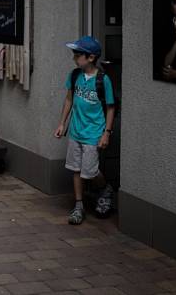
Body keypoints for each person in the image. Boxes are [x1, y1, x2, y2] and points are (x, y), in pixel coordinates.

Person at [53, 36, 116, 225]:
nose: (74, 58)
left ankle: (105, 189)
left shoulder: (103, 80)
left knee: (90, 170)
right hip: (75, 131)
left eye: (77, 54)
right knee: (76, 168)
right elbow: (69, 100)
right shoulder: (74, 76)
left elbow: (111, 108)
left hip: (93, 133)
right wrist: (62, 123)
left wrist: (107, 132)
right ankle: (79, 205)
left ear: (90, 57)